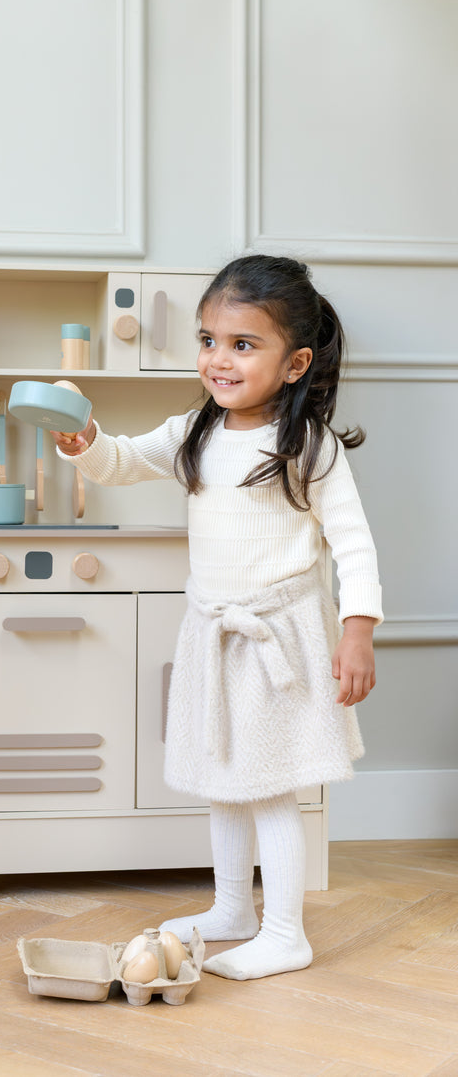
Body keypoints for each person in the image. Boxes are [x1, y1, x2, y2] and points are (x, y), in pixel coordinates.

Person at [52, 254, 382, 981]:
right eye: (208, 340)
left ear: (294, 363)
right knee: (222, 777)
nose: (218, 359)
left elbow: (352, 542)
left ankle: (286, 931)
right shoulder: (194, 432)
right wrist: (84, 444)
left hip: (281, 638)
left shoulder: (307, 447)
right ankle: (233, 908)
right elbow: (122, 460)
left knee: (269, 785)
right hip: (213, 630)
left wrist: (357, 630)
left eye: (242, 344)